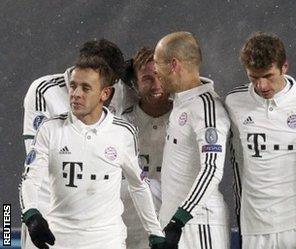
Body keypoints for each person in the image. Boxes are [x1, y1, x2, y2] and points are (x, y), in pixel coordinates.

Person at [19, 50, 165, 249]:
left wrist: (155, 232)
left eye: (86, 88)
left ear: (106, 93)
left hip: (107, 241)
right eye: (73, 86)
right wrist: (31, 214)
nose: (76, 94)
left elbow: (138, 185)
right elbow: (30, 178)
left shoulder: (123, 132)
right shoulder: (49, 130)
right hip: (58, 241)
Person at [226, 32, 296, 248]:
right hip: (255, 227)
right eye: (253, 77)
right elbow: (237, 163)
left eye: (268, 76)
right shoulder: (233, 102)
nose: (262, 85)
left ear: (284, 67)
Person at [155, 31, 230, 249]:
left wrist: (179, 220)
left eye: (157, 64)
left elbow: (211, 170)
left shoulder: (207, 110)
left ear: (174, 64)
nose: (155, 72)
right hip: (175, 227)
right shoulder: (182, 103)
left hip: (198, 227)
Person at [120, 47, 173, 249]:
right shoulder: (122, 124)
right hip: (133, 226)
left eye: (160, 76)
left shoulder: (186, 118)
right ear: (134, 83)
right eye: (147, 78)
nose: (156, 85)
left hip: (174, 223)